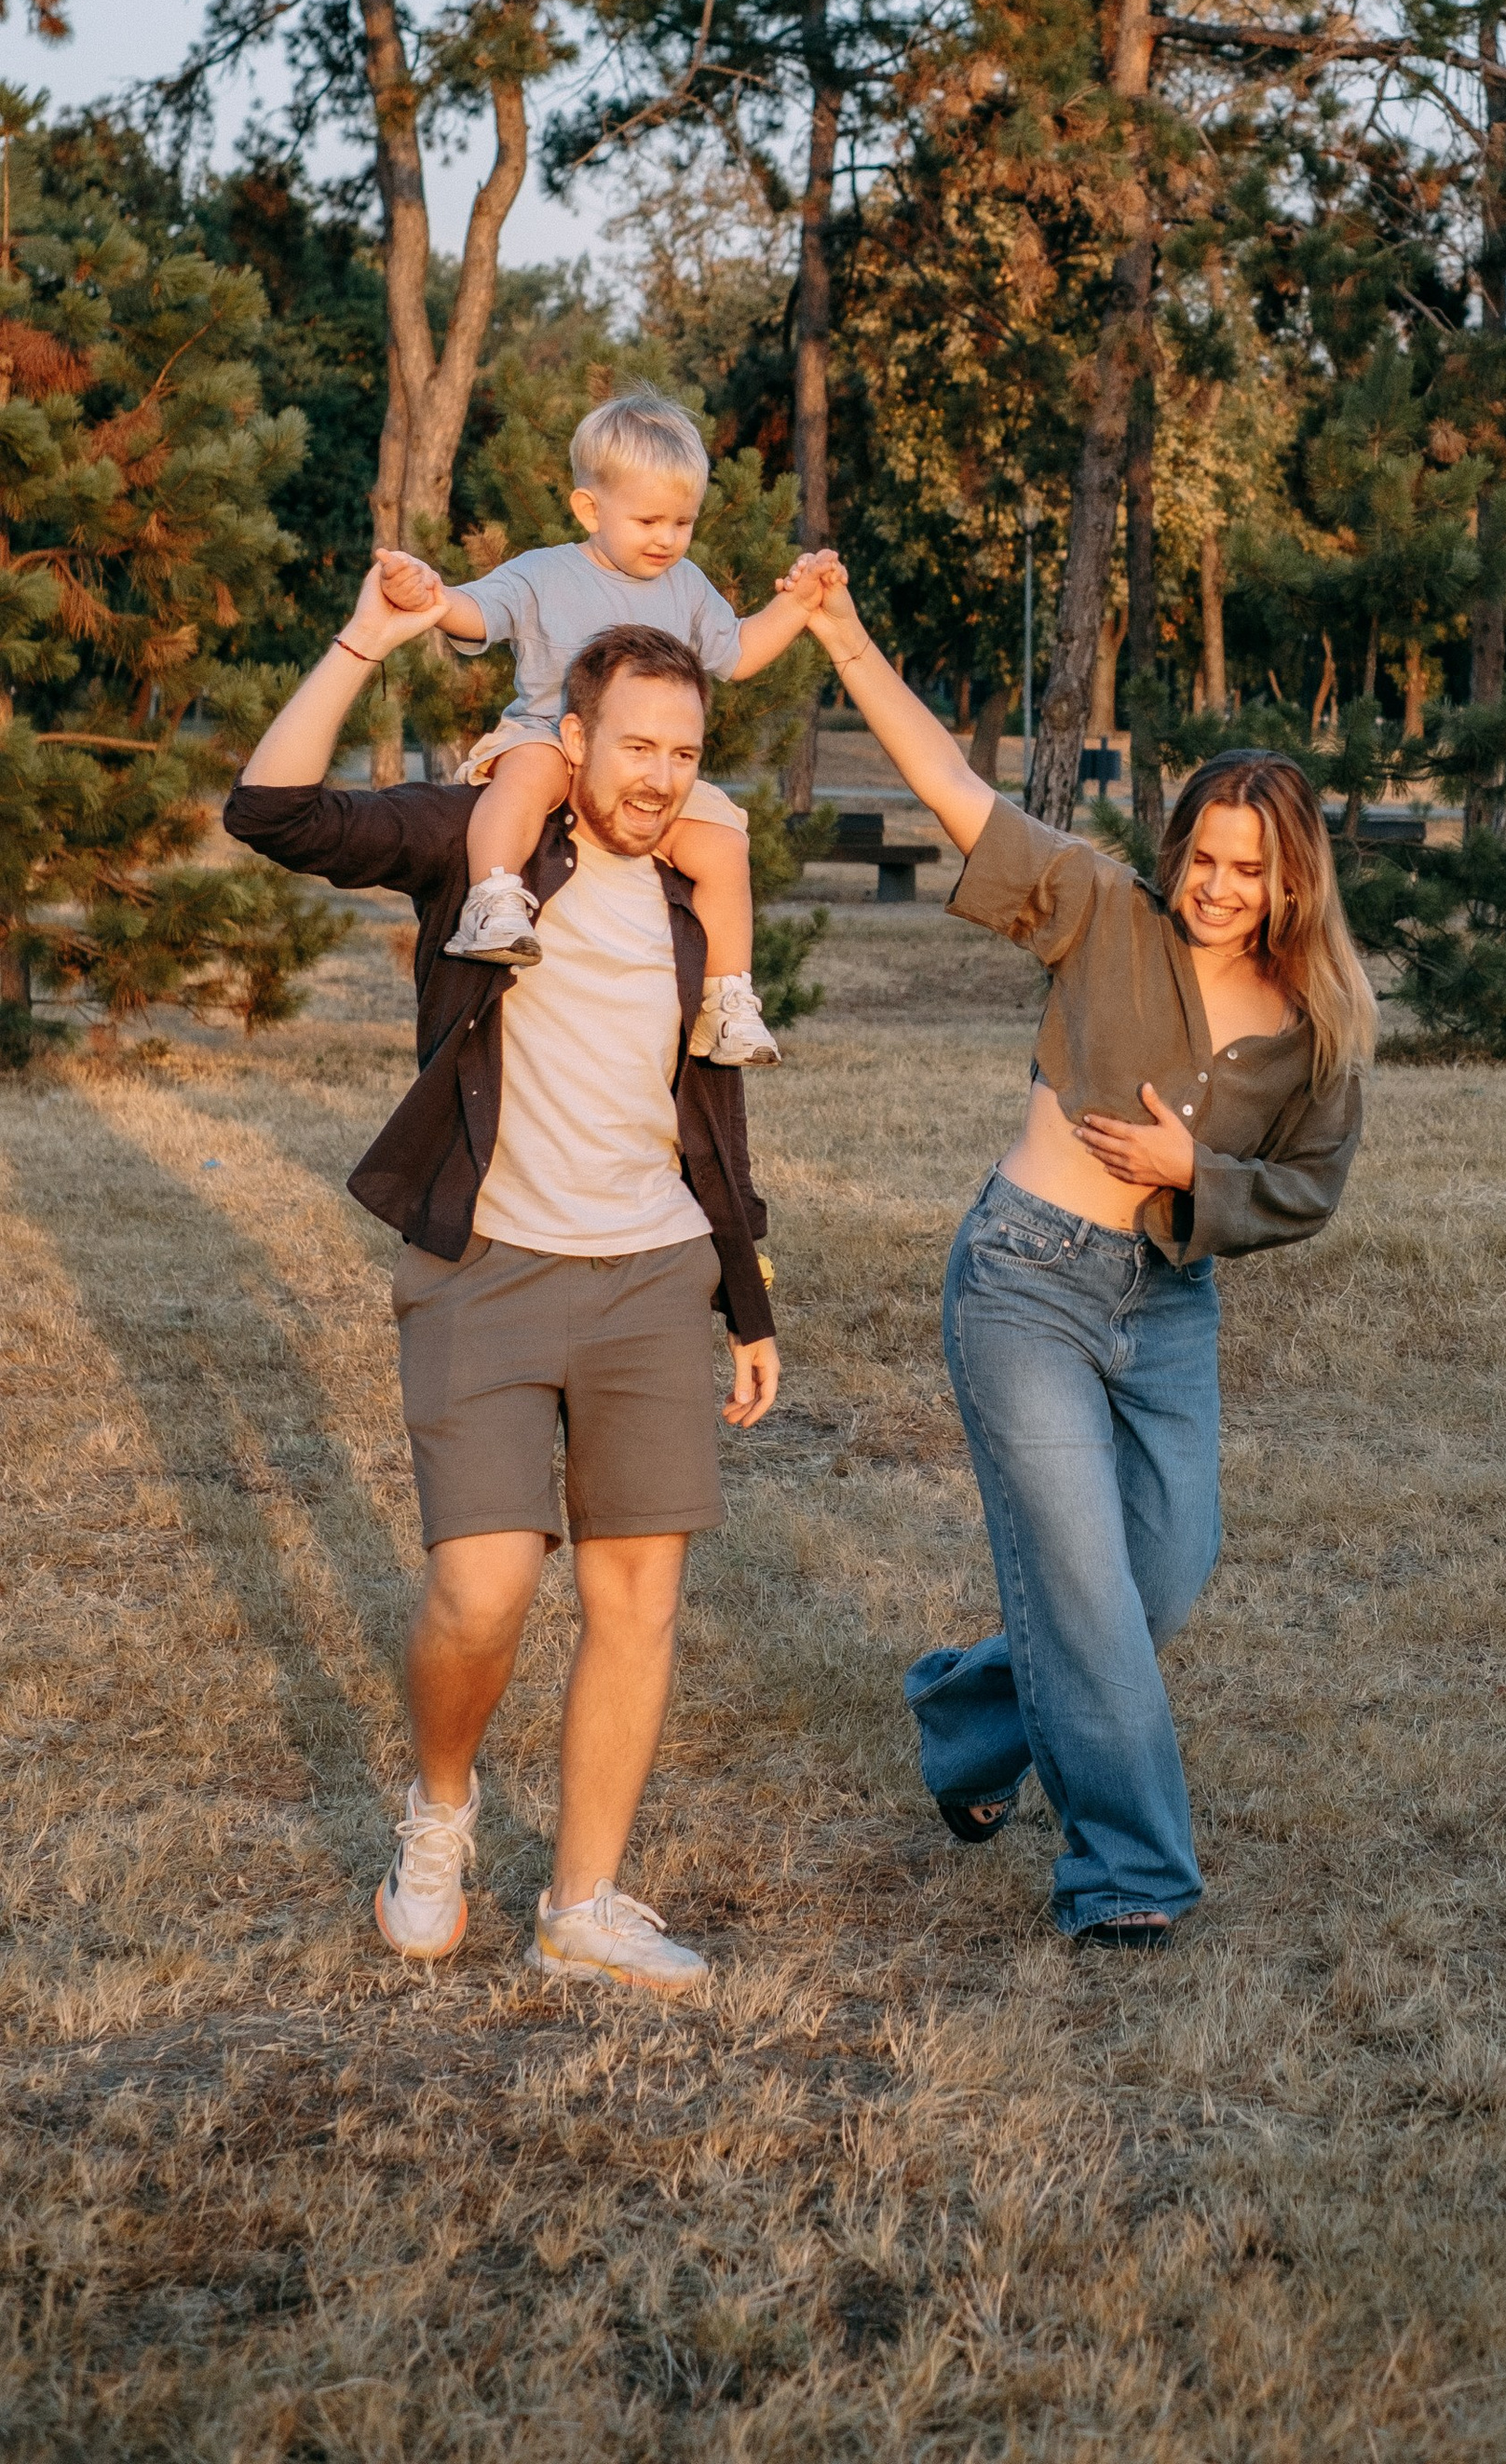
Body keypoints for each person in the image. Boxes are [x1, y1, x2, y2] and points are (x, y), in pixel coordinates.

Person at [788, 548, 1372, 1949]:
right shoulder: (1108, 912)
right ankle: (1128, 1875)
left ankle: (966, 1722)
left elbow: (1307, 1192)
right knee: (1089, 1590)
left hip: (1168, 1303)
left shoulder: (1324, 1025)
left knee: (1157, 1580)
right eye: (1205, 859)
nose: (1219, 888)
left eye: (1250, 869)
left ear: (1293, 878)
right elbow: (960, 797)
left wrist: (1197, 1172)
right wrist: (850, 642)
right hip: (1026, 1282)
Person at [225, 576, 780, 1996]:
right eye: (635, 746)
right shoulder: (487, 838)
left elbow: (707, 1104)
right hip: (483, 1266)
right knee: (481, 1593)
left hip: (651, 1271)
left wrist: (746, 1288)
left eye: (684, 752)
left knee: (637, 1599)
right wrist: (363, 637)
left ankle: (581, 1904)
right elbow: (272, 812)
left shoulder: (691, 882)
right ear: (571, 738)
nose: (659, 777)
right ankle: (442, 1808)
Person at [373, 387, 813, 1066]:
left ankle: (725, 1001)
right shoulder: (544, 573)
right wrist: (433, 597)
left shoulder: (688, 586)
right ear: (589, 508)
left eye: (683, 523)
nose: (667, 538)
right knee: (530, 771)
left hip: (641, 769)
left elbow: (741, 652)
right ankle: (494, 900)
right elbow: (478, 615)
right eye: (648, 521)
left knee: (725, 842)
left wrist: (800, 605)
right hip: (551, 737)